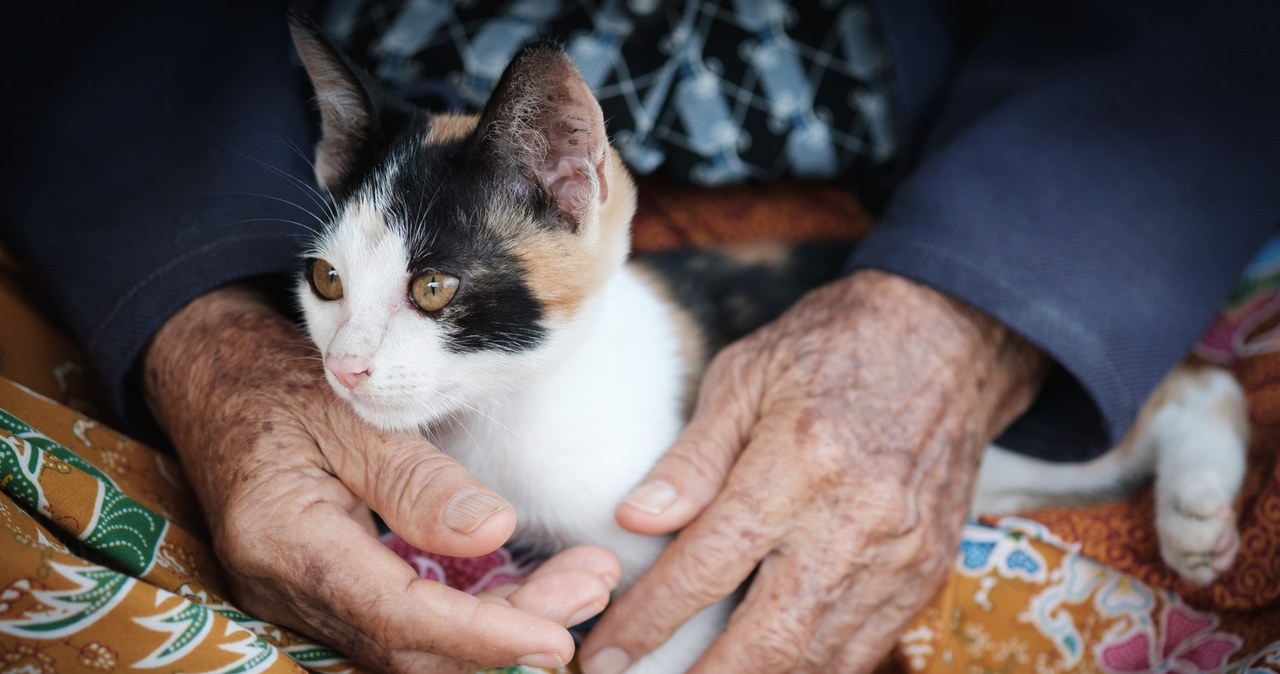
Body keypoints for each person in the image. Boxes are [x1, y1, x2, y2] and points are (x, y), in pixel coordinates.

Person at [3, 0, 1278, 672]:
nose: (345, 356)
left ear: (574, 183)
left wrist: (982, 303)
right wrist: (223, 305)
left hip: (962, 203)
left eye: (427, 299)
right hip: (197, 174)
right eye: (333, 288)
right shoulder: (356, 218)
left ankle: (1179, 405)